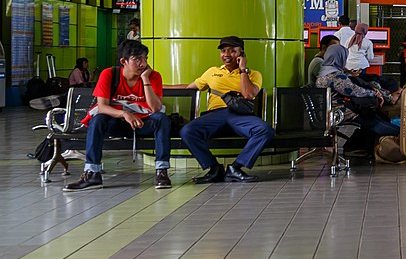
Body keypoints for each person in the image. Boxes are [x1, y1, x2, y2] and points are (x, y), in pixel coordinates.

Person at [64, 40, 172, 191]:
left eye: (145, 58)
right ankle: (92, 174)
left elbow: (155, 108)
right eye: (137, 59)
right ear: (123, 61)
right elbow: (102, 106)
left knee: (162, 119)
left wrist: (145, 79)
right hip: (116, 124)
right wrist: (125, 114)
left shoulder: (153, 76)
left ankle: (161, 171)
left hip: (142, 124)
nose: (143, 63)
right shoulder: (109, 74)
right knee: (98, 120)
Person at [182, 36, 276, 183]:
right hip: (215, 115)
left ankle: (236, 168)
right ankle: (214, 169)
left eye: (232, 51)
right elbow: (189, 87)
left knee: (265, 129)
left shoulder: (253, 74)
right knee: (187, 131)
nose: (226, 54)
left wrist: (242, 69)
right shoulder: (212, 72)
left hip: (239, 116)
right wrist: (157, 87)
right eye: (223, 51)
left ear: (241, 53)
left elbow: (248, 94)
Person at [314, 39, 400, 141]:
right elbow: (354, 91)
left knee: (373, 116)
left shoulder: (325, 71)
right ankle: (402, 134)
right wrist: (374, 94)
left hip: (327, 110)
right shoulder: (335, 76)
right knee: (372, 120)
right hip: (338, 112)